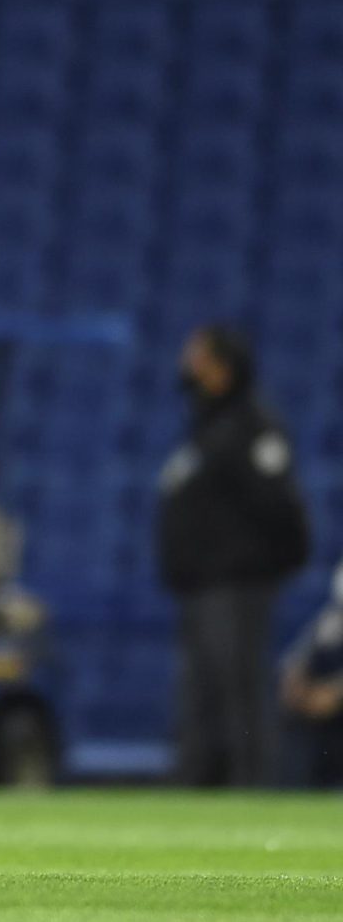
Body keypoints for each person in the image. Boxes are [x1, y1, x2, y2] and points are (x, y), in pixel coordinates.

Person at [157, 325, 310, 787]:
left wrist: (256, 564)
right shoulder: (206, 428)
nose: (188, 365)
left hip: (237, 587)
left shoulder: (251, 429)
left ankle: (253, 787)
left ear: (223, 367)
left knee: (239, 692)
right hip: (201, 587)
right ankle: (196, 790)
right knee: (199, 699)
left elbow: (280, 506)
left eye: (198, 356)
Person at [279, 562, 343, 786]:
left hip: (334, 701)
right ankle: (295, 786)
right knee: (292, 714)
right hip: (322, 706)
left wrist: (335, 693)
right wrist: (298, 687)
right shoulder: (331, 620)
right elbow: (297, 661)